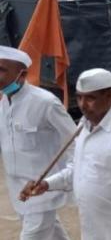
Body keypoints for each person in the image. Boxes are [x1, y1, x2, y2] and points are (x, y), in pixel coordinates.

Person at [20, 68, 111, 240]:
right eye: (79, 97)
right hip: (93, 229)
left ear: (110, 95)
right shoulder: (82, 127)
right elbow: (78, 170)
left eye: (90, 98)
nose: (83, 105)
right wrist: (47, 184)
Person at [0, 46, 76, 240]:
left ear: (22, 74)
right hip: (18, 189)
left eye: (1, 70)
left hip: (41, 191)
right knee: (54, 235)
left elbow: (74, 140)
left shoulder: (45, 102)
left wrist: (67, 175)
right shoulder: (4, 103)